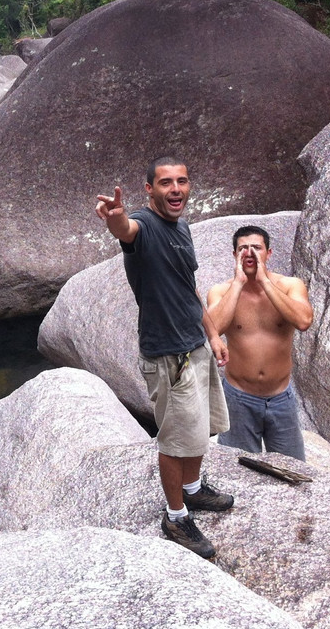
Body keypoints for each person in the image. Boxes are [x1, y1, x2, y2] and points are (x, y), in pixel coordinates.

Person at [95, 158, 233, 560]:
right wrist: (116, 219)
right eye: (166, 183)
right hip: (167, 354)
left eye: (182, 181)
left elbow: (188, 286)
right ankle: (175, 516)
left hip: (195, 345)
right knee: (175, 440)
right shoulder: (143, 226)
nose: (176, 189)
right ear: (149, 189)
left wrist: (211, 333)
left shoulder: (182, 227)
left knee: (200, 427)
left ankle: (193, 490)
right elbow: (126, 231)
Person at [206, 225, 314, 460]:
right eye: (243, 249)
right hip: (238, 397)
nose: (250, 254)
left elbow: (303, 320)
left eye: (256, 248)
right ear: (235, 255)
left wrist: (265, 281)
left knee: (292, 469)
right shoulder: (221, 291)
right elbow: (212, 329)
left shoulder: (290, 285)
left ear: (269, 253)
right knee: (239, 469)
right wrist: (238, 284)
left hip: (280, 397)